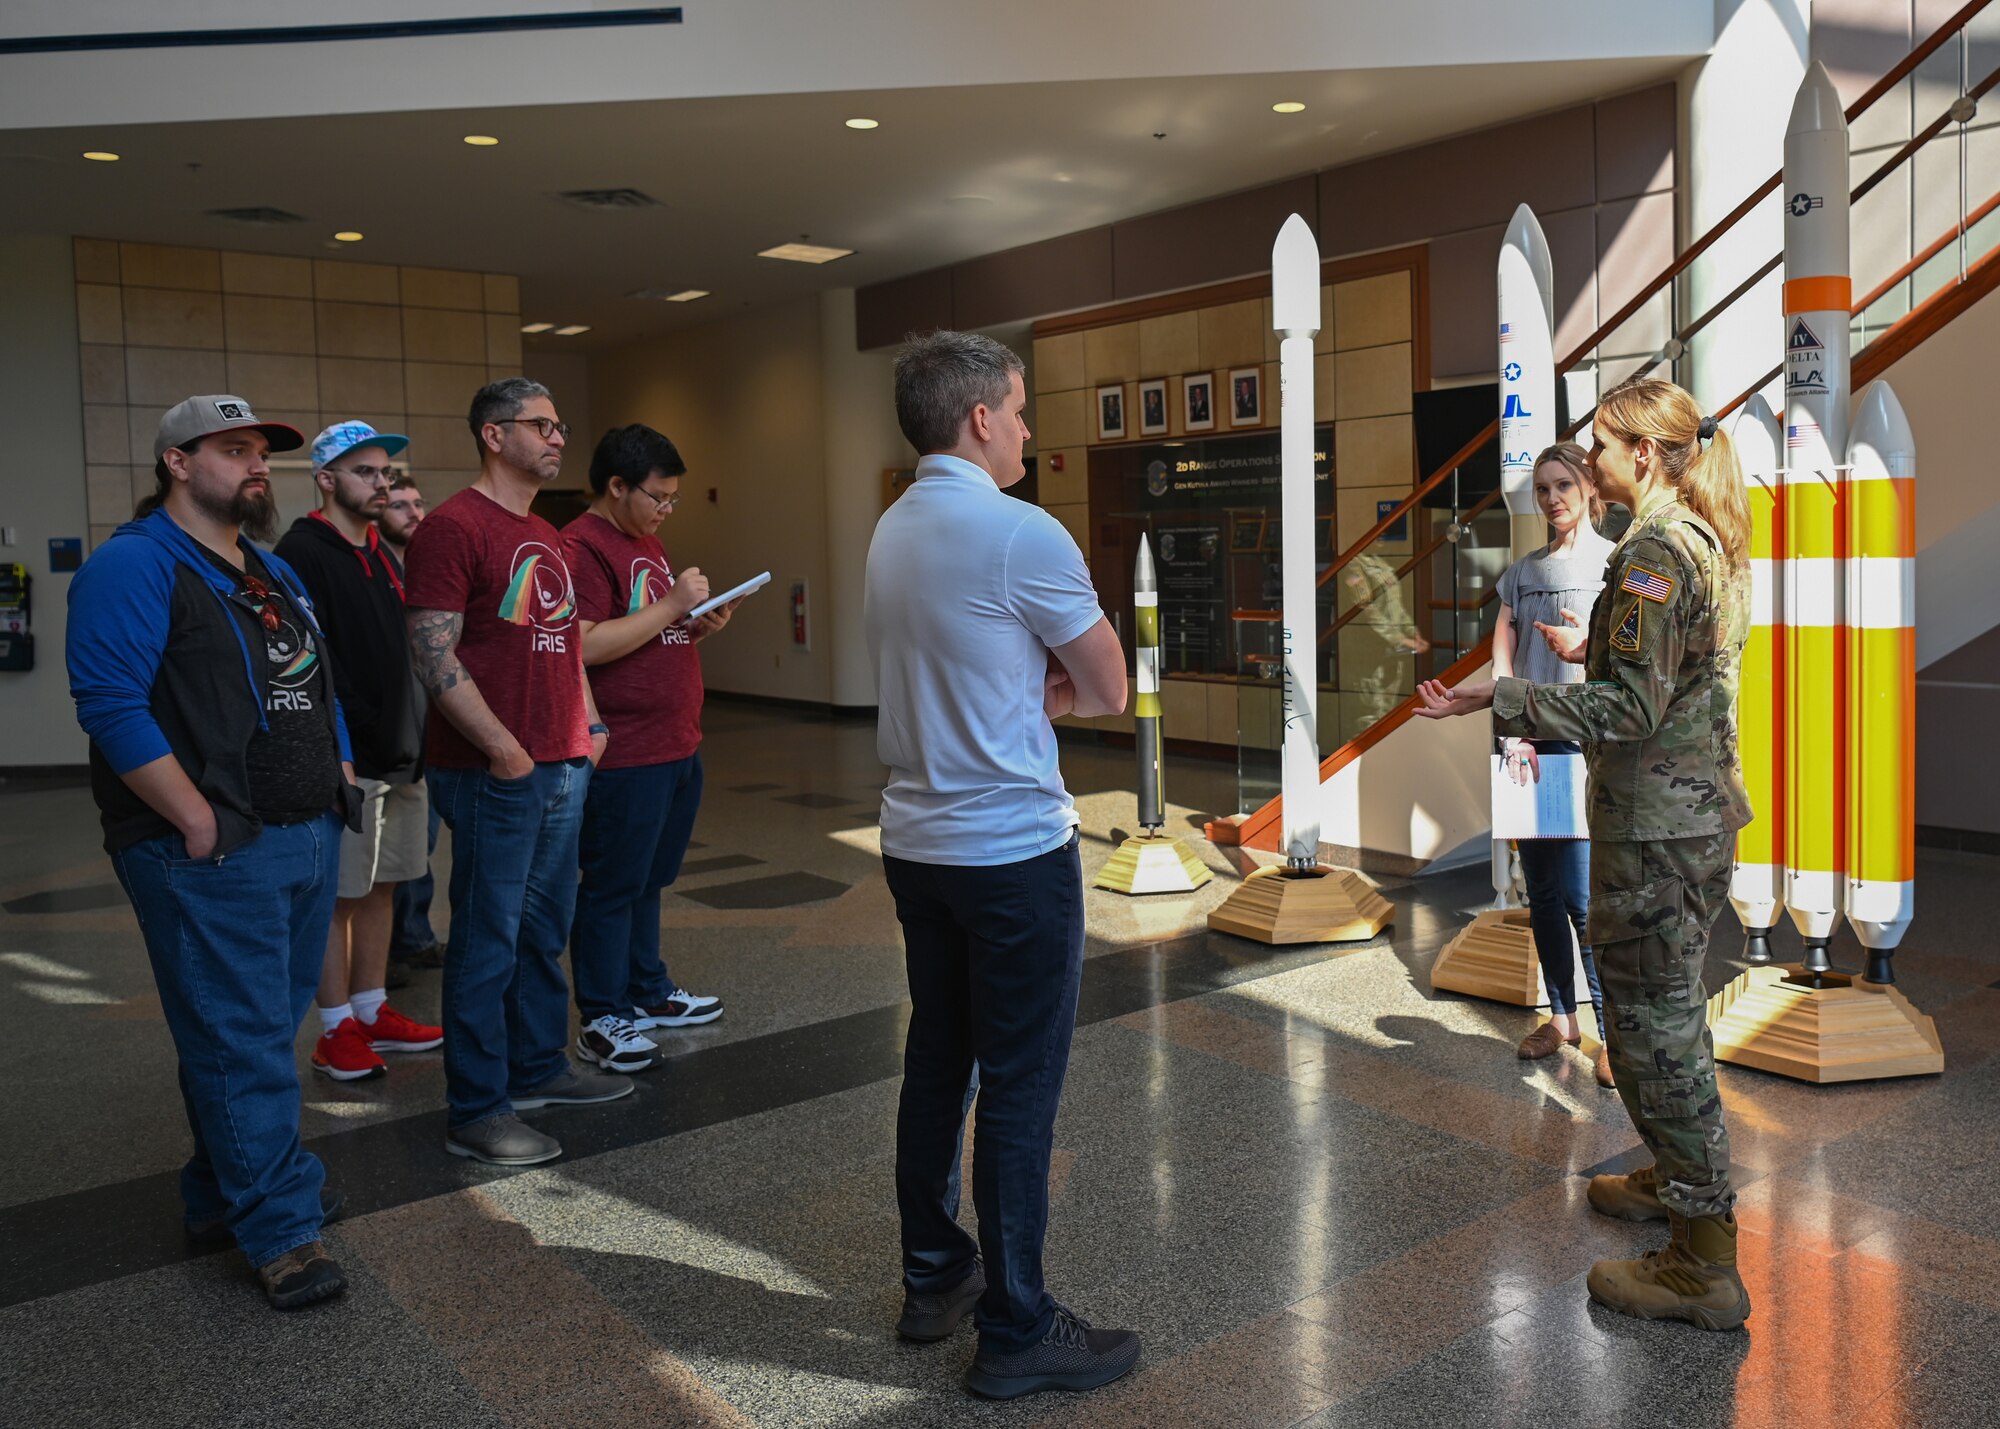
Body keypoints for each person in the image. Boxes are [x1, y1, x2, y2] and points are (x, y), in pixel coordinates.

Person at [1414, 377, 1753, 1331]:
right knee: (1662, 1020)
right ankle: (1677, 1185)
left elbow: (1630, 709)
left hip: (1654, 828)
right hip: (1684, 821)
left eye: (1600, 447)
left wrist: (1508, 698)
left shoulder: (1652, 551)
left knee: (1655, 1031)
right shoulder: (1704, 539)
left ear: (1642, 454)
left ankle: (1703, 1261)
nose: (1587, 461)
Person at [866, 331, 1138, 1399]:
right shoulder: (1020, 531)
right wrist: (1048, 689)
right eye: (1019, 411)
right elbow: (1107, 684)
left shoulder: (892, 525)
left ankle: (935, 1273)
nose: (1027, 428)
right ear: (979, 418)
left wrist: (1026, 681)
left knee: (939, 1055)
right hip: (1010, 847)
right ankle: (1019, 1325)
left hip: (915, 840)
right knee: (1020, 1084)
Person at [67, 395, 363, 1310]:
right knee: (242, 1044)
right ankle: (280, 1228)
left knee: (257, 1034)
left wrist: (339, 770)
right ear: (177, 463)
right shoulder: (133, 564)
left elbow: (313, 681)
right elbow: (110, 703)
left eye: (261, 453)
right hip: (213, 848)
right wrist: (196, 820)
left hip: (303, 833)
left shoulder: (270, 570)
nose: (254, 466)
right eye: (232, 450)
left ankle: (219, 1196)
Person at [402, 378, 630, 1168]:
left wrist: (589, 721)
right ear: (494, 436)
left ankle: (537, 1066)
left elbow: (563, 643)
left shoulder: (549, 532)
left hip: (562, 757)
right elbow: (432, 655)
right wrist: (502, 746)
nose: (558, 436)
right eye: (540, 424)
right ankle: (478, 1106)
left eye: (561, 423)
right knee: (486, 936)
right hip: (495, 767)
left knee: (542, 928)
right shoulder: (452, 527)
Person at [559, 424, 736, 1076]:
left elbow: (649, 634)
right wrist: (670, 605)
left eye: (672, 500)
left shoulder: (645, 542)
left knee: (649, 878)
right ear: (616, 486)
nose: (665, 509)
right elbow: (581, 644)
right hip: (626, 750)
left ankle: (647, 988)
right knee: (612, 883)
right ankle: (603, 1013)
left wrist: (695, 622)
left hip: (674, 743)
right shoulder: (579, 547)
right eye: (658, 497)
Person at [276, 423, 443, 1082]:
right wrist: (352, 738)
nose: (382, 483)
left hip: (402, 750)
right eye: (365, 472)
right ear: (325, 479)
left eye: (385, 472)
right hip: (351, 755)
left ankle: (373, 1008)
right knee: (339, 896)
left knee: (385, 884)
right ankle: (335, 1026)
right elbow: (311, 663)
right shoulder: (303, 550)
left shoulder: (380, 548)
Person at [1491, 442, 1616, 1086]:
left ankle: (1612, 1031)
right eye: (1543, 488)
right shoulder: (1520, 574)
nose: (1553, 498)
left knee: (1586, 897)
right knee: (1539, 890)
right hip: (1527, 745)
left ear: (1589, 486)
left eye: (1564, 484)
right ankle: (1563, 1016)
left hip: (1586, 744)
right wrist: (1511, 731)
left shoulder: (1616, 565)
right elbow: (1502, 660)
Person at [379, 473, 447, 973]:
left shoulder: (427, 566)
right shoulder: (375, 568)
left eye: (418, 503)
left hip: (437, 727)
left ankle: (415, 936)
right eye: (400, 505)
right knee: (393, 852)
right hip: (393, 729)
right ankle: (391, 951)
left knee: (420, 846)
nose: (413, 512)